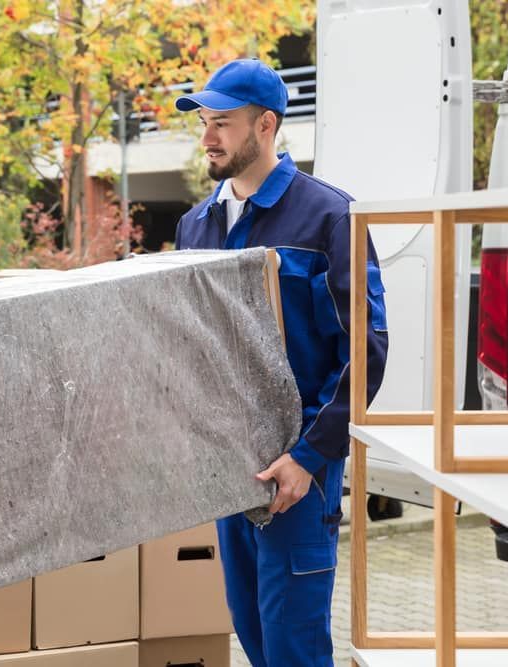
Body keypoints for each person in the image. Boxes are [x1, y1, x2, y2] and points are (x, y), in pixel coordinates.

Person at [175, 59, 389, 666]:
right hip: (228, 472)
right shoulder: (196, 226)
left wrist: (307, 457)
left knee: (293, 644)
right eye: (205, 123)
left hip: (298, 473)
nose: (208, 137)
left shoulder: (329, 218)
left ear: (266, 125)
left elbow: (364, 351)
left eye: (223, 123)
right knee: (252, 631)